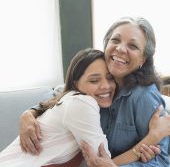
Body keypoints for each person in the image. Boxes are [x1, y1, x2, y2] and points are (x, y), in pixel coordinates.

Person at [19, 17, 170, 167]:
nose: (121, 48)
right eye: (115, 40)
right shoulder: (95, 76)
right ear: (106, 45)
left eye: (133, 46)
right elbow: (59, 94)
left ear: (143, 59)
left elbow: (163, 161)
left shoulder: (144, 97)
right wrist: (28, 114)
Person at [0, 48, 116, 167]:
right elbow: (101, 159)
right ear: (76, 84)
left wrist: (29, 112)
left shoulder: (67, 99)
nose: (106, 85)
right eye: (94, 80)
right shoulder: (81, 102)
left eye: (110, 78)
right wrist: (135, 151)